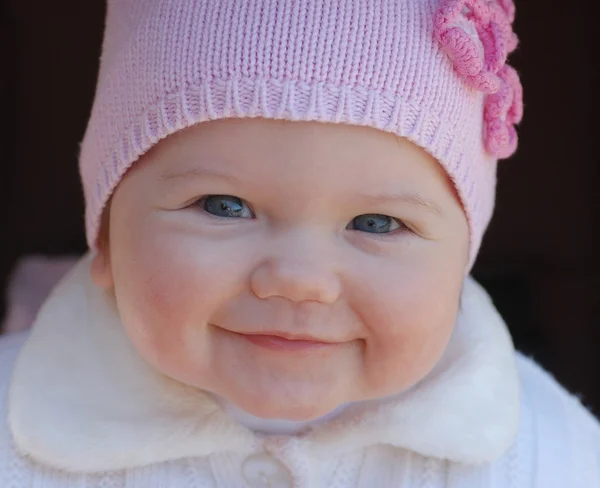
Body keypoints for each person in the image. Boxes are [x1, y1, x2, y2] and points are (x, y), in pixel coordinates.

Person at [1, 1, 598, 486]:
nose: (299, 278)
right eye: (224, 207)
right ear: (105, 236)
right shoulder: (16, 434)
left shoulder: (545, 454)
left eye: (377, 223)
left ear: (458, 261)